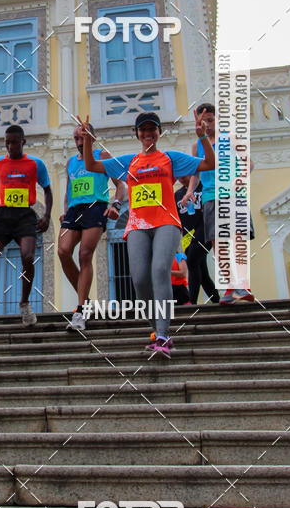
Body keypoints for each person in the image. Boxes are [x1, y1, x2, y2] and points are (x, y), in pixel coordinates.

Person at [79, 109, 214, 358]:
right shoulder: (129, 161)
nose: (148, 133)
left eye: (152, 129)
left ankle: (163, 334)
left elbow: (209, 164)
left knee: (159, 270)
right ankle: (157, 329)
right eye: (143, 129)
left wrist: (203, 137)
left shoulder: (169, 158)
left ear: (159, 132)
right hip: (137, 224)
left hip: (166, 222)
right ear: (138, 134)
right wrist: (88, 138)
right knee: (140, 280)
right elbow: (91, 164)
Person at [0, 125, 52, 328]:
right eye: (7, 142)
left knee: (28, 256)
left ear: (23, 142)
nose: (10, 146)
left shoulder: (36, 164)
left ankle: (24, 304)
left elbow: (48, 190)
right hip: (2, 215)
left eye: (14, 142)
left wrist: (47, 215)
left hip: (25, 214)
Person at [58, 123, 126, 332]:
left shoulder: (102, 156)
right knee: (63, 251)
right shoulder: (71, 162)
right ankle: (85, 299)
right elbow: (69, 189)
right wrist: (66, 209)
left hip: (96, 207)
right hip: (74, 210)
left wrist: (115, 204)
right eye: (76, 138)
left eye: (83, 137)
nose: (79, 142)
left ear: (93, 137)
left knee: (85, 255)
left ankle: (80, 311)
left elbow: (121, 184)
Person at [186, 103, 254, 304]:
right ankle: (230, 286)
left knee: (238, 239)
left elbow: (248, 163)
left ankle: (243, 284)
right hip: (210, 197)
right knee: (218, 243)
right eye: (202, 121)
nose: (207, 124)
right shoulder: (196, 146)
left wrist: (239, 179)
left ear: (217, 119)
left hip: (233, 195)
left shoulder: (230, 138)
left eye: (210, 120)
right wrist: (189, 191)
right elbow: (195, 174)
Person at [175, 177, 219, 304]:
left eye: (185, 176)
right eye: (179, 177)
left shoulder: (203, 188)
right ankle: (215, 300)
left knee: (192, 260)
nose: (182, 179)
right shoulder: (177, 195)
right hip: (188, 236)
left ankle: (191, 301)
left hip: (205, 229)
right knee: (202, 271)